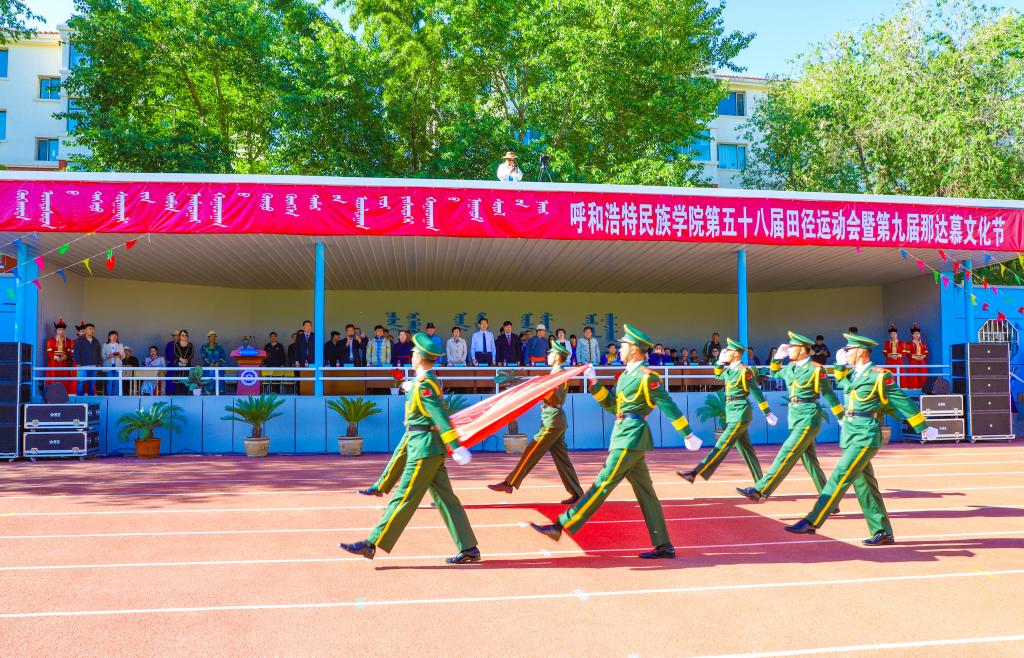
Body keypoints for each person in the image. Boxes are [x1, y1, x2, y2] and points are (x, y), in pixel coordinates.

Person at [530, 325, 703, 559]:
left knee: (602, 483)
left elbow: (668, 405)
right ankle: (664, 544)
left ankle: (561, 525)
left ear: (634, 349)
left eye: (623, 345)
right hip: (624, 436)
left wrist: (688, 434)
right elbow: (612, 406)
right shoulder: (625, 377)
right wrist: (594, 382)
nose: (619, 349)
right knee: (646, 493)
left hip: (630, 437)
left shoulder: (647, 377)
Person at [785, 333, 937, 545]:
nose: (845, 352)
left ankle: (812, 520)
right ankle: (882, 531)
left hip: (865, 435)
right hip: (851, 434)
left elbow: (903, 401)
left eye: (849, 350)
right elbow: (843, 384)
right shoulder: (854, 375)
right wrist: (839, 366)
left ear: (861, 352)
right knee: (865, 485)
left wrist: (923, 427)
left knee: (840, 475)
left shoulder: (879, 376)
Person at [339, 333, 480, 564]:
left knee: (404, 497)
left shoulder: (424, 385)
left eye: (414, 353)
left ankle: (371, 543)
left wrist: (456, 446)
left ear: (421, 358)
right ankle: (469, 547)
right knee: (446, 500)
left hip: (423, 449)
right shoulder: (423, 382)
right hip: (427, 448)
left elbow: (439, 415)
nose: (412, 356)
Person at [736, 331, 845, 506]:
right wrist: (777, 358)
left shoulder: (816, 370)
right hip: (795, 417)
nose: (788, 350)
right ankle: (830, 502)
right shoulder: (790, 369)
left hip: (808, 416)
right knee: (810, 462)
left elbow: (829, 394)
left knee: (786, 452)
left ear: (802, 349)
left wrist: (841, 417)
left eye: (792, 347)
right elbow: (774, 373)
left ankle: (760, 490)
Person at [488, 341, 584, 504]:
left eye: (551, 353)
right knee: (563, 460)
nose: (548, 355)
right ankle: (577, 494)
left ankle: (509, 483)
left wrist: (540, 389)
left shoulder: (559, 374)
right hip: (554, 420)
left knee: (531, 451)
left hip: (552, 422)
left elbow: (556, 397)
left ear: (557, 356)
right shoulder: (556, 373)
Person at [678, 338, 776, 485]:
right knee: (747, 451)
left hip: (740, 412)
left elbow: (756, 392)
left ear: (736, 354)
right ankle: (761, 485)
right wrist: (720, 361)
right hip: (732, 412)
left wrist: (767, 412)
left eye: (728, 350)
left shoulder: (745, 371)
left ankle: (696, 472)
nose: (725, 352)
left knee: (722, 444)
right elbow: (718, 375)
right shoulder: (730, 370)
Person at [45, 317, 76, 394]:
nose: (61, 331)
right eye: (59, 329)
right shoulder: (51, 340)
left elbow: (70, 352)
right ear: (56, 330)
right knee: (53, 377)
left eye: (62, 329)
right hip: (54, 362)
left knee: (64, 378)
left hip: (64, 362)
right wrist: (55, 357)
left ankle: (64, 393)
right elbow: (49, 352)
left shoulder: (68, 341)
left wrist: (65, 356)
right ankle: (52, 393)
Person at [73, 323, 102, 396]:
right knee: (81, 383)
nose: (92, 330)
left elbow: (98, 353)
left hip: (93, 366)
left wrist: (99, 363)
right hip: (82, 366)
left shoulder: (96, 341)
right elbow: (76, 352)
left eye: (93, 329)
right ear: (85, 330)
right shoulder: (79, 340)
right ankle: (79, 400)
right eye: (90, 329)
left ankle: (91, 400)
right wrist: (78, 363)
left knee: (92, 384)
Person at [171, 329, 195, 394]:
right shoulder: (176, 344)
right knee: (178, 383)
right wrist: (181, 359)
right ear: (180, 336)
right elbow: (175, 352)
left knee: (186, 383)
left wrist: (187, 360)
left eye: (186, 335)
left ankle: (185, 396)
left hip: (187, 365)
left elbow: (192, 354)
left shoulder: (190, 345)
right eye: (183, 335)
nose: (184, 336)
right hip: (178, 365)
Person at [101, 330, 125, 395]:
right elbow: (103, 356)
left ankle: (115, 397)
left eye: (116, 335)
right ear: (109, 337)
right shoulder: (105, 345)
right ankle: (109, 396)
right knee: (110, 381)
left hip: (118, 365)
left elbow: (123, 356)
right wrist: (109, 356)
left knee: (117, 382)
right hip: (108, 366)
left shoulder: (120, 345)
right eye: (112, 335)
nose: (114, 336)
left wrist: (119, 355)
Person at [906, 322, 928, 389]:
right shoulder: (909, 344)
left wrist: (922, 357)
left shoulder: (923, 344)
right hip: (913, 361)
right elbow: (907, 353)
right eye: (915, 333)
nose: (917, 335)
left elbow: (926, 352)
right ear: (912, 335)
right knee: (913, 375)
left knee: (922, 375)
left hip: (922, 361)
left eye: (918, 333)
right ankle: (913, 389)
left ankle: (922, 388)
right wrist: (915, 357)